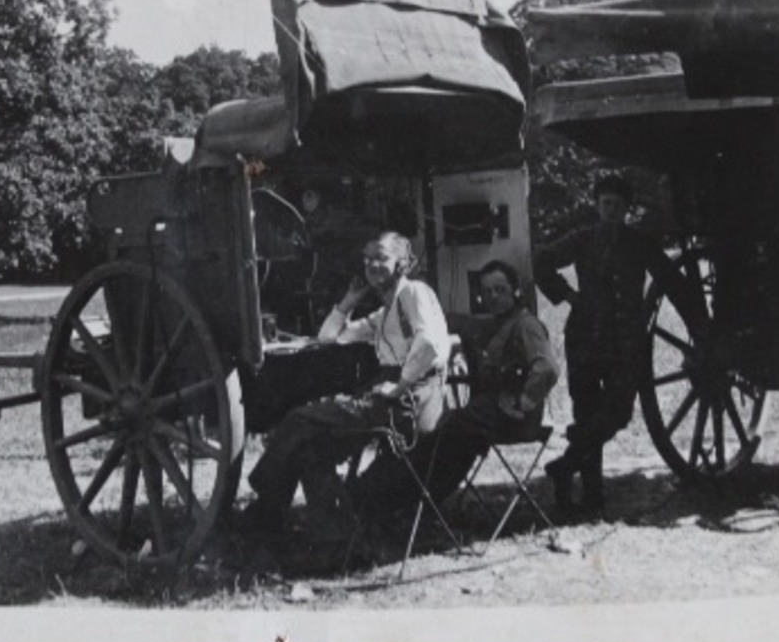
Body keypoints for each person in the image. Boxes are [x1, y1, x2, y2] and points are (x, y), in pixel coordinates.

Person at [235, 231, 451, 536]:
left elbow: (428, 343)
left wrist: (399, 386)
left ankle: (264, 499)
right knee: (309, 451)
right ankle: (330, 537)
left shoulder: (414, 293)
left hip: (409, 403)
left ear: (403, 263)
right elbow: (329, 336)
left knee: (299, 418)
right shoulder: (384, 312)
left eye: (381, 258)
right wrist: (350, 300)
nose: (372, 265)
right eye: (368, 260)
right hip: (394, 400)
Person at [350, 259, 558, 515]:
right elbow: (452, 321)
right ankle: (397, 501)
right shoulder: (494, 323)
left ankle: (387, 498)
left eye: (500, 290)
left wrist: (521, 401)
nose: (493, 296)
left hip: (515, 420)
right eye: (487, 291)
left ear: (515, 292)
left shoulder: (526, 325)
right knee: (440, 439)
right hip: (486, 418)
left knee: (437, 440)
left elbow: (547, 368)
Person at [535, 172, 658, 517]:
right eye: (606, 204)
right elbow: (541, 259)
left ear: (628, 210)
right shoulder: (583, 239)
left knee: (618, 412)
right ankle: (592, 497)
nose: (612, 210)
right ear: (596, 205)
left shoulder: (640, 243)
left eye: (619, 206)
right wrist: (568, 296)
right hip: (586, 338)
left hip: (625, 342)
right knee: (586, 412)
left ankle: (564, 466)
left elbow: (669, 276)